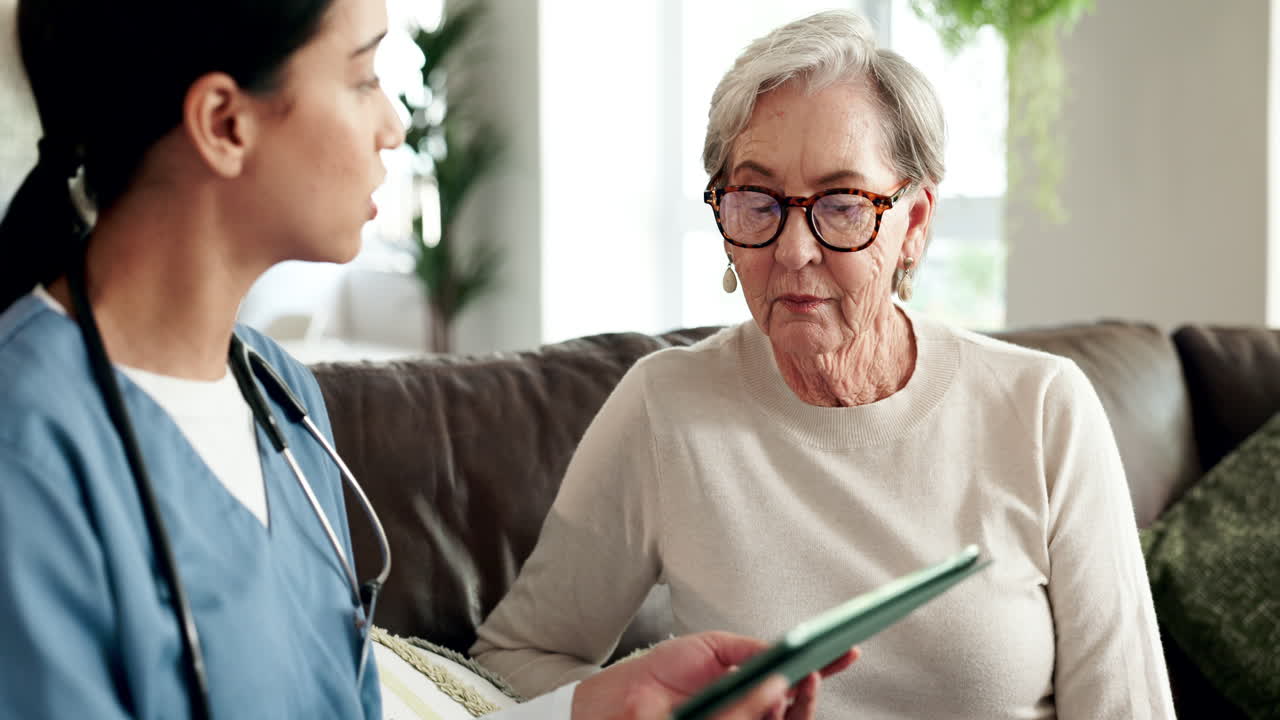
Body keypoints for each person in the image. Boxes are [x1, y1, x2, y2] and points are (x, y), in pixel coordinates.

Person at [0, 0, 856, 718]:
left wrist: (592, 709)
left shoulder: (278, 397)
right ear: (226, 123)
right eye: (364, 77)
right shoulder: (27, 450)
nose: (394, 122)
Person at [472, 9, 1176, 720]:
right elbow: (513, 662)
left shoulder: (1044, 409)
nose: (794, 249)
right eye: (757, 200)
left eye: (842, 205)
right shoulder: (666, 407)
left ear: (916, 224)